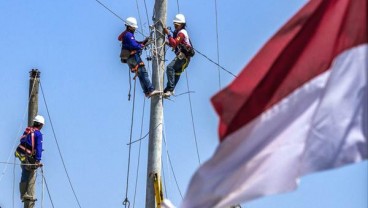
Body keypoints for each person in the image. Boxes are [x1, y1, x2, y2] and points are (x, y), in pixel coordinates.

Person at [118, 17, 160, 98]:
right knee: (143, 72)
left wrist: (142, 42)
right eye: (134, 27)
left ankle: (146, 92)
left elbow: (128, 41)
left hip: (128, 59)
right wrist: (141, 45)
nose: (135, 29)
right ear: (130, 27)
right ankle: (151, 90)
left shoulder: (126, 35)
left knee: (140, 74)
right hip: (134, 57)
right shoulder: (129, 34)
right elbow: (134, 45)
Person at [15, 115, 45, 208]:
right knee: (28, 172)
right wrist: (38, 160)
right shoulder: (38, 134)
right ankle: (25, 194)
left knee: (24, 171)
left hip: (20, 153)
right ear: (40, 125)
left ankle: (23, 194)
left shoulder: (28, 129)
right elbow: (38, 148)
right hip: (28, 155)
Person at [163, 14, 193, 98]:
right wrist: (166, 42)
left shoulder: (182, 33)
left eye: (177, 25)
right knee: (176, 73)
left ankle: (170, 88)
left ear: (182, 25)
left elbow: (174, 43)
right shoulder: (177, 33)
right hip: (183, 58)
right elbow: (174, 45)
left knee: (170, 68)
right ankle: (169, 90)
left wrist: (168, 34)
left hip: (183, 57)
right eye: (174, 25)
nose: (175, 26)